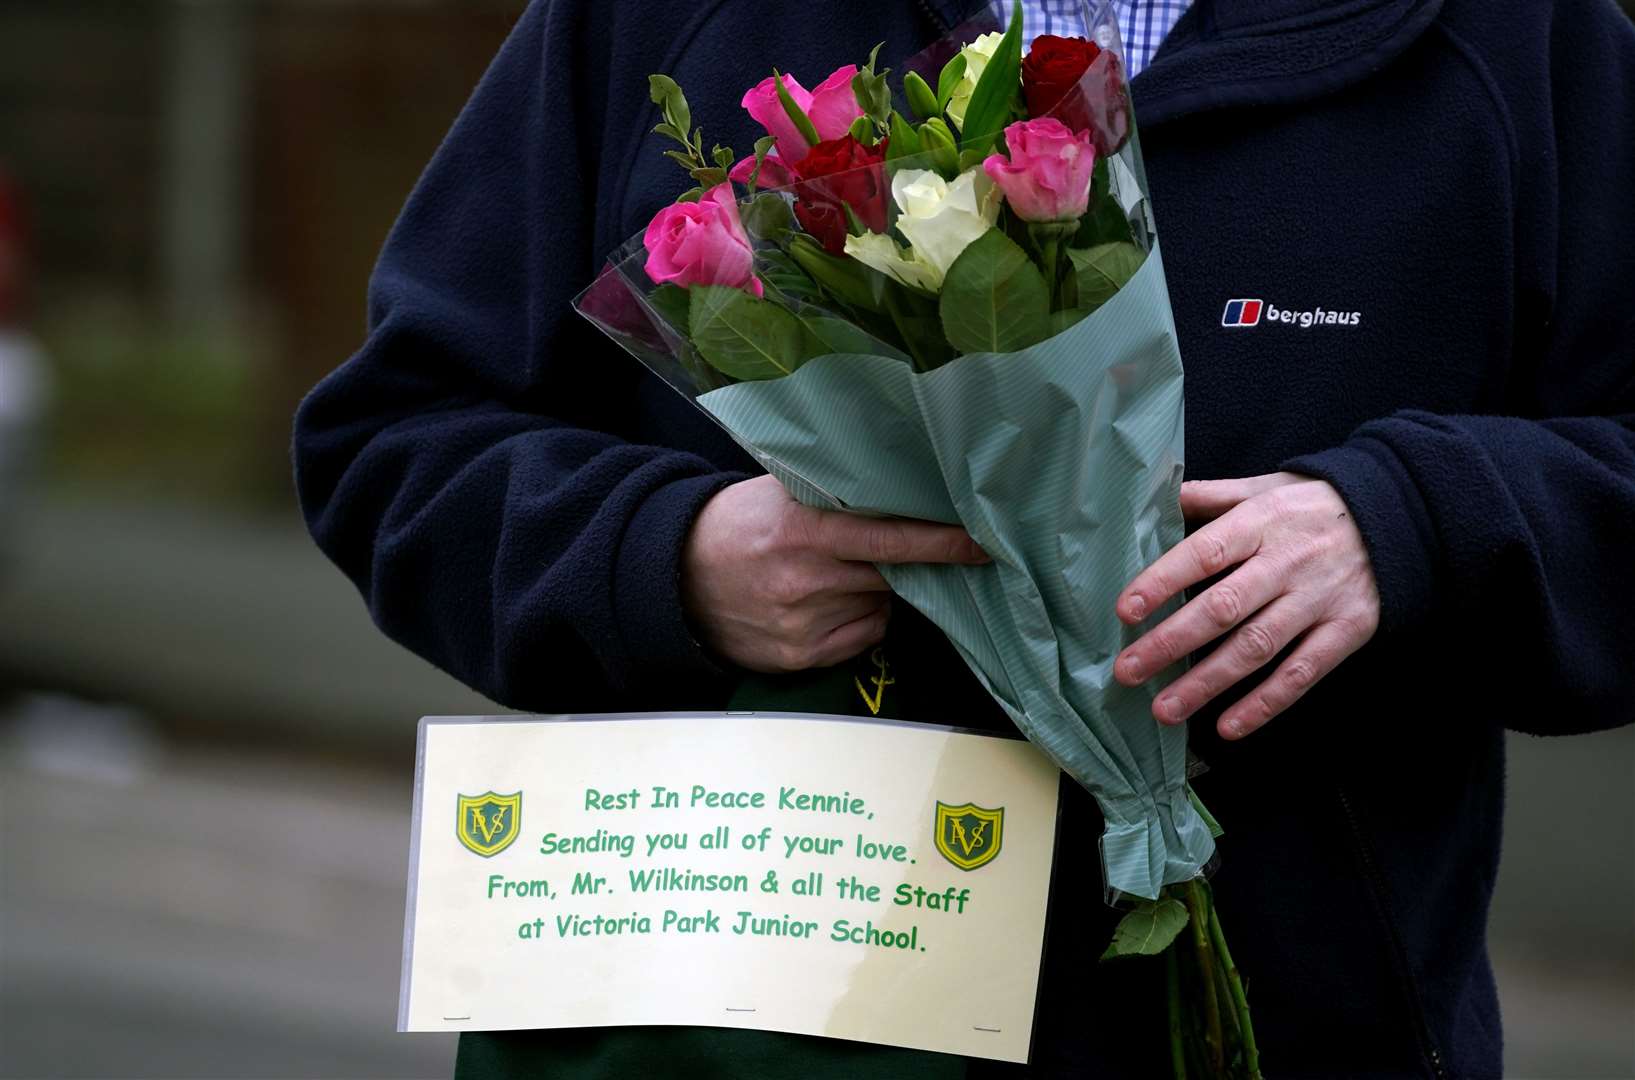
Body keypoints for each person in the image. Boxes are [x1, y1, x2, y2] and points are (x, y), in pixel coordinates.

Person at [292, 0, 1635, 1075]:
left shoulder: (1516, 42)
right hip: (750, 1010)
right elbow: (400, 442)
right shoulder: (662, 20)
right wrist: (672, 558)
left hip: (1294, 1026)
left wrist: (1414, 528)